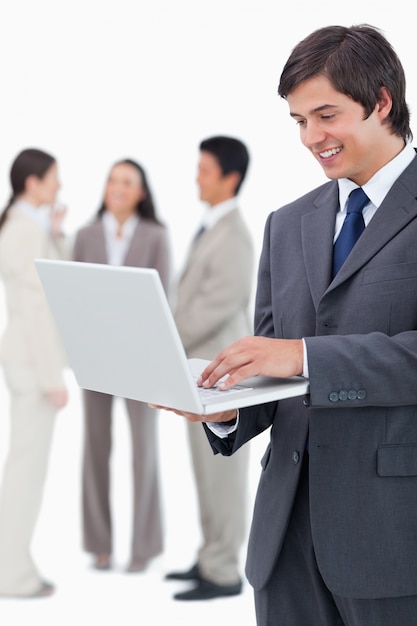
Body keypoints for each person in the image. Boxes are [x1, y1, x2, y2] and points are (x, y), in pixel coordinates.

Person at [153, 24, 417, 626]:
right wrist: (226, 409)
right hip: (285, 543)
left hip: (393, 539)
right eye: (299, 121)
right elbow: (273, 380)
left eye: (325, 115)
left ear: (381, 102)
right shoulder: (286, 222)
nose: (311, 138)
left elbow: (298, 358)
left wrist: (304, 356)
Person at [164, 135, 254, 601]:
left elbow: (211, 308)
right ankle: (208, 557)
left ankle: (223, 571)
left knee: (221, 476)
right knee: (204, 472)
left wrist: (163, 335)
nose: (196, 177)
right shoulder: (210, 227)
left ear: (229, 178)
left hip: (220, 380)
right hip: (199, 376)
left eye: (204, 170)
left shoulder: (234, 235)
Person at [72, 158, 170, 573]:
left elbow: (163, 297)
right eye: (113, 180)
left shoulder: (155, 236)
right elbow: (71, 290)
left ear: (141, 192)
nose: (117, 187)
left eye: (127, 182)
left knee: (143, 452)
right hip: (93, 355)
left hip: (139, 357)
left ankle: (144, 547)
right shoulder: (85, 235)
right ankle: (99, 544)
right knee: (95, 448)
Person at [0, 148, 69, 598]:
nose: (58, 187)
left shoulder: (30, 227)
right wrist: (51, 377)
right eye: (53, 179)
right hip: (31, 366)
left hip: (26, 363)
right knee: (25, 474)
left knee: (25, 470)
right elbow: (36, 306)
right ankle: (11, 573)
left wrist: (57, 233)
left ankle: (14, 566)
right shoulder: (23, 230)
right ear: (32, 183)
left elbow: (51, 277)